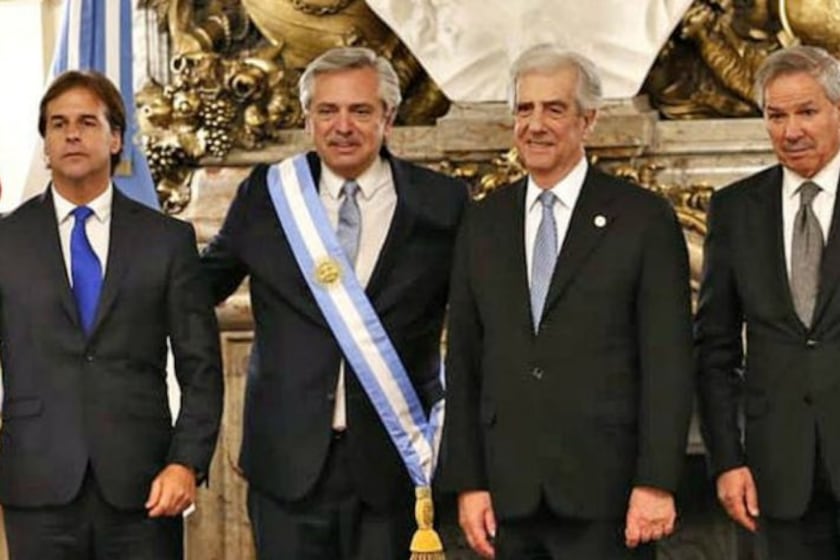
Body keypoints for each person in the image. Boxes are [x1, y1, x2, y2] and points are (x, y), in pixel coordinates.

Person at [200, 46, 467, 559]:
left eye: (360, 110)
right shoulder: (268, 194)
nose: (343, 126)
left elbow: (481, 320)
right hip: (286, 465)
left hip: (394, 467)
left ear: (388, 117)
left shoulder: (441, 202)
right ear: (308, 119)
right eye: (328, 111)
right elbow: (199, 287)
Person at [439, 44, 695, 559]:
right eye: (524, 109)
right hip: (507, 497)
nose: (536, 124)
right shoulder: (483, 222)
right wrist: (469, 483)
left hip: (608, 494)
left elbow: (668, 361)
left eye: (554, 109)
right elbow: (464, 359)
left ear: (589, 120)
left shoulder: (642, 219)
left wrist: (657, 483)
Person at [0, 70, 223, 559]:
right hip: (35, 487)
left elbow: (202, 368)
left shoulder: (167, 241)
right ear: (45, 143)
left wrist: (186, 462)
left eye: (86, 121)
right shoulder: (6, 241)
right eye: (58, 124)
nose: (71, 134)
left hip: (144, 489)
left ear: (116, 137)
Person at [696, 45, 840, 559]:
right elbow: (714, 350)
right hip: (773, 481)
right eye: (776, 116)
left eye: (807, 112)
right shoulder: (735, 210)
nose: (791, 130)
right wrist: (727, 462)